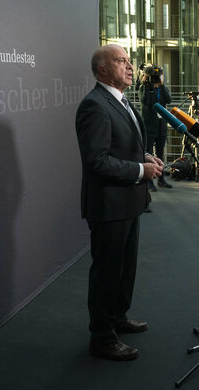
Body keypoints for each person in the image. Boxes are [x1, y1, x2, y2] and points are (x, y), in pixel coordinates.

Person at [75, 44, 164, 361]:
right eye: (121, 60)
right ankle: (100, 337)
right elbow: (97, 161)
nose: (130, 66)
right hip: (109, 206)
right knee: (107, 273)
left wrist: (143, 156)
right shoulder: (94, 106)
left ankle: (117, 319)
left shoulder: (123, 101)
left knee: (125, 269)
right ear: (101, 69)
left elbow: (120, 147)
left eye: (129, 61)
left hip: (128, 201)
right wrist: (141, 170)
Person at [139, 64, 173, 191]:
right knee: (149, 154)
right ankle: (149, 181)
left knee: (160, 153)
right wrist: (147, 87)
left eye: (157, 77)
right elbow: (144, 102)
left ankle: (161, 179)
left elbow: (168, 100)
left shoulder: (162, 88)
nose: (155, 79)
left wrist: (162, 85)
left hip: (161, 125)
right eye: (154, 77)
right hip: (149, 126)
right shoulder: (143, 87)